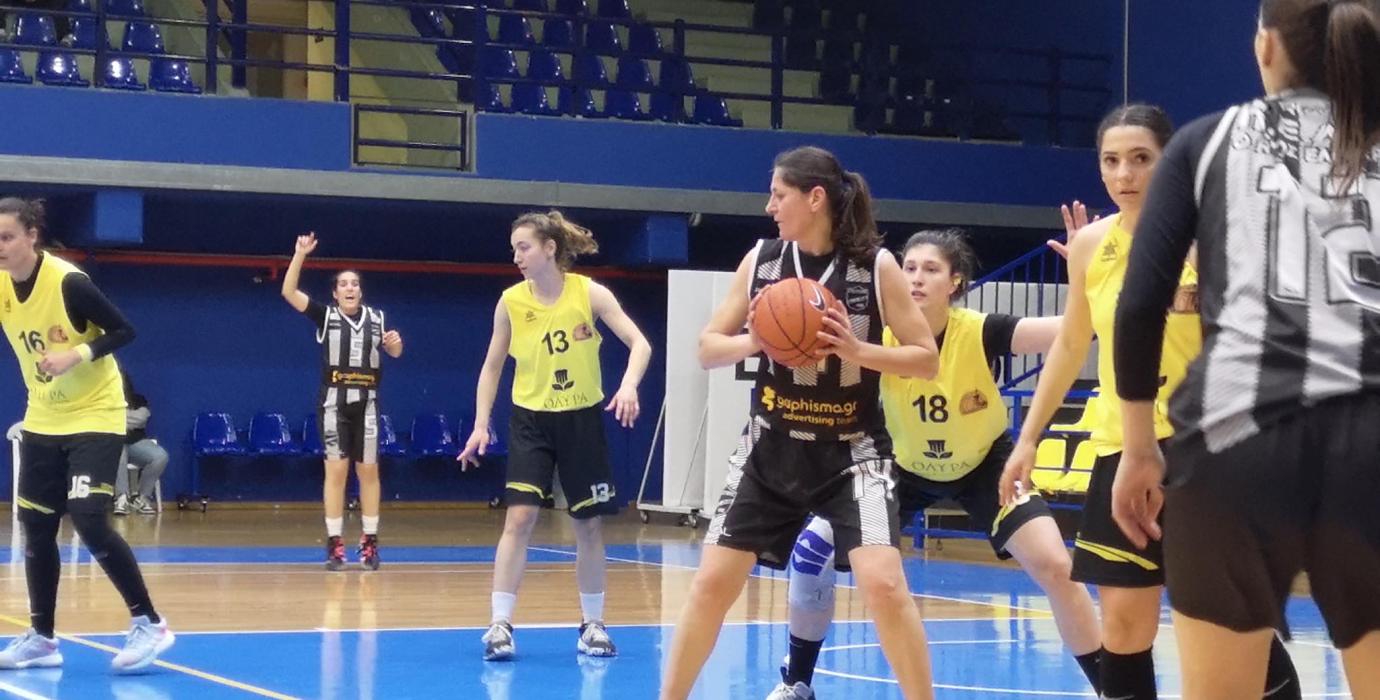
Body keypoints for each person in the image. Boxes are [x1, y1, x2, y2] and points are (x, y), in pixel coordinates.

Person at [1111, 1, 1380, 698]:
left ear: (1265, 47)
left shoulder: (1207, 141)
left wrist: (1139, 449)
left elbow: (1138, 307)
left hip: (1234, 442)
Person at [999, 105, 1301, 700]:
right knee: (1123, 626)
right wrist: (1028, 438)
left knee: (1231, 626)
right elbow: (1070, 345)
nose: (1124, 174)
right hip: (1121, 450)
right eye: (1111, 161)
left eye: (1141, 159)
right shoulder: (1091, 246)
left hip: (1205, 452)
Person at [765, 228, 1102, 700]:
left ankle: (1112, 688)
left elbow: (1077, 329)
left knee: (1057, 566)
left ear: (955, 282)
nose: (916, 278)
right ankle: (796, 682)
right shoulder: (875, 333)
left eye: (930, 269)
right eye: (908, 268)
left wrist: (1088, 276)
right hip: (899, 468)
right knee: (810, 553)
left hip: (985, 466)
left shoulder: (982, 330)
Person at [660, 146, 941, 700]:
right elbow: (708, 348)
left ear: (815, 198)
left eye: (778, 195)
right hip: (771, 449)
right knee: (711, 584)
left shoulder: (875, 268)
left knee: (885, 585)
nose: (769, 207)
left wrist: (857, 350)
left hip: (852, 453)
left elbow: (925, 359)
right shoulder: (762, 260)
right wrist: (756, 340)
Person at [458, 210, 652, 662]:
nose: (516, 256)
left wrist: (628, 386)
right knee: (519, 518)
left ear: (549, 249)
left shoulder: (590, 293)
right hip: (531, 421)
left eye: (523, 247)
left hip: (581, 419)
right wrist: (481, 423)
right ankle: (500, 624)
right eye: (513, 249)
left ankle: (593, 625)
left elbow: (640, 344)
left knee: (588, 524)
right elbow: (491, 367)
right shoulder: (510, 302)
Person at [0, 197, 173, 671]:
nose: (0, 247)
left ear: (31, 236)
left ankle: (150, 623)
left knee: (89, 520)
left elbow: (124, 330)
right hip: (44, 415)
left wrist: (75, 355)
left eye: (7, 237)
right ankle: (41, 639)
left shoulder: (67, 282)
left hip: (95, 413)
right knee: (36, 526)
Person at [281, 232, 403, 571]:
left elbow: (395, 352)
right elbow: (288, 292)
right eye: (344, 284)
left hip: (368, 404)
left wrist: (394, 344)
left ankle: (370, 541)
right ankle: (335, 542)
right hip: (334, 404)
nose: (350, 288)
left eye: (355, 284)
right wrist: (300, 255)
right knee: (336, 471)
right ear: (335, 293)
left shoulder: (377, 319)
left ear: (360, 291)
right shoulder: (326, 316)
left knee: (369, 471)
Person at [113, 373, 167, 516]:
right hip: (112, 442)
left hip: (136, 442)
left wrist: (117, 418)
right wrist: (126, 418)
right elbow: (102, 419)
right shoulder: (103, 400)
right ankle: (121, 498)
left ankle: (141, 498)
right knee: (117, 449)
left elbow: (141, 420)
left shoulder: (139, 400)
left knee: (160, 456)